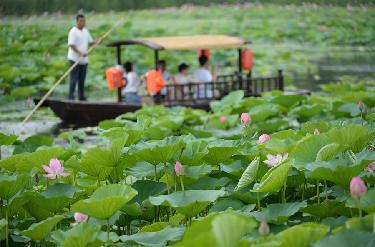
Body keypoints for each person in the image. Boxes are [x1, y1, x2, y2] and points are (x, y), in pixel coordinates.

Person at [67, 14, 102, 100]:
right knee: (73, 79)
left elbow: (90, 42)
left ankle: (81, 97)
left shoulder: (85, 31)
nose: (83, 23)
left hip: (84, 61)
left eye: (84, 21)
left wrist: (98, 41)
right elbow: (71, 45)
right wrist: (80, 53)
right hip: (74, 59)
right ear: (77, 22)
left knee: (82, 80)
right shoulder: (73, 31)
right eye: (81, 21)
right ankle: (71, 97)